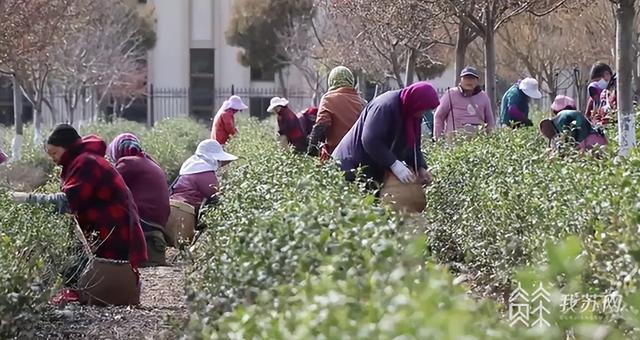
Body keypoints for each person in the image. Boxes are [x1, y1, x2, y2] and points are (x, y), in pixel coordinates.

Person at [22, 124, 147, 304]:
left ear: (68, 148)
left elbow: (67, 201)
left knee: (72, 255)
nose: (54, 160)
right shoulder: (83, 160)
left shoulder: (86, 163)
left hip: (113, 233)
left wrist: (26, 200)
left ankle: (87, 288)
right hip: (110, 231)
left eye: (55, 154)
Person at [332, 81, 440, 186]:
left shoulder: (412, 114)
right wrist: (394, 163)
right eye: (423, 109)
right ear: (417, 103)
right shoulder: (384, 106)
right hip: (351, 165)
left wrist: (420, 167)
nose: (423, 114)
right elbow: (370, 140)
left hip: (373, 168)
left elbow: (412, 146)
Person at [107, 133, 170, 267]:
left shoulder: (128, 163)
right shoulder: (151, 162)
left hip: (144, 219)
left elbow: (106, 185)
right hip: (158, 222)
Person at [167, 140, 237, 245]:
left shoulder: (190, 168)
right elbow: (215, 194)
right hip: (184, 212)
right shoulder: (205, 172)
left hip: (170, 208)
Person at [308, 66, 366, 159]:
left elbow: (321, 125)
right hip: (359, 154)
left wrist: (312, 148)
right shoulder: (362, 102)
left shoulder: (328, 99)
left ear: (331, 80)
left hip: (336, 154)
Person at [433, 66, 494, 141]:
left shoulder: (484, 97)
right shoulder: (451, 94)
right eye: (466, 78)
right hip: (454, 140)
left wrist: (490, 138)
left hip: (478, 141)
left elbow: (490, 120)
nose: (468, 81)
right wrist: (438, 138)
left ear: (477, 81)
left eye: (472, 78)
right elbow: (439, 116)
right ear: (460, 80)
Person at [539, 110, 607, 151]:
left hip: (590, 140)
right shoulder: (559, 119)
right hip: (592, 137)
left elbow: (570, 142)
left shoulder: (561, 122)